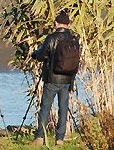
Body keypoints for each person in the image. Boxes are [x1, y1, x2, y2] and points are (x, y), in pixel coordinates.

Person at [30, 11, 80, 146]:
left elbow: (41, 55)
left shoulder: (52, 38)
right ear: (69, 25)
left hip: (52, 78)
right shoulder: (75, 39)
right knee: (63, 108)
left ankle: (40, 137)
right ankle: (60, 139)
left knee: (45, 107)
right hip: (67, 79)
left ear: (56, 24)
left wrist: (34, 54)